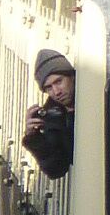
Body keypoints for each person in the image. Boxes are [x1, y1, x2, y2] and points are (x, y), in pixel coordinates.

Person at [22, 49, 77, 179]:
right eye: (49, 88)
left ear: (72, 77)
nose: (56, 92)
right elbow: (56, 169)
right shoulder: (53, 117)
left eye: (59, 82)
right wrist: (34, 138)